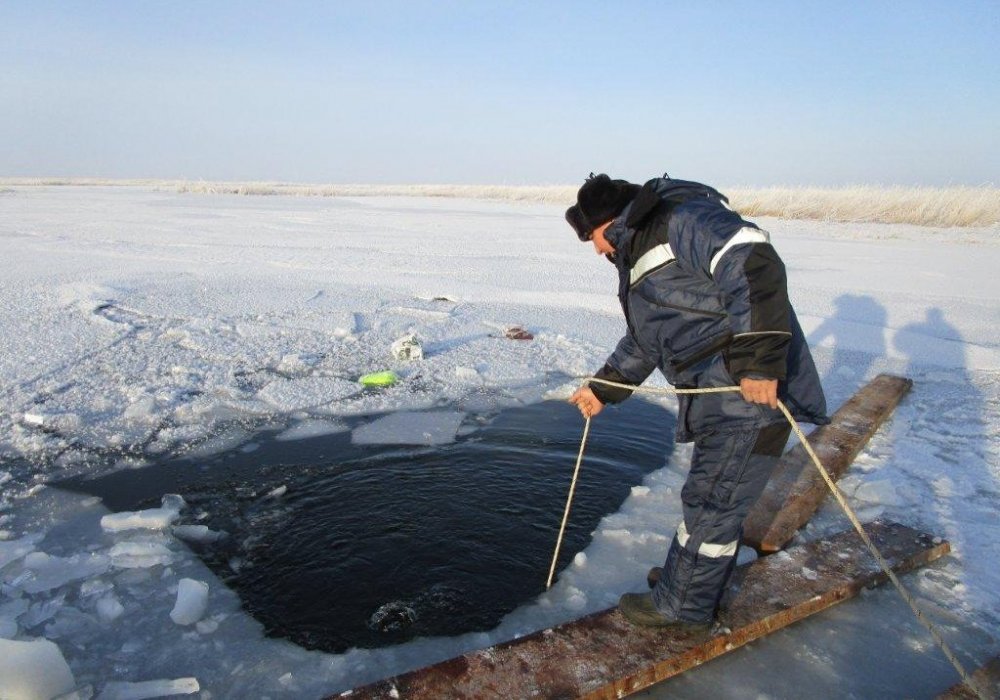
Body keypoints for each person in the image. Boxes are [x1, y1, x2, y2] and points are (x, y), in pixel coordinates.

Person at [566, 173, 828, 629]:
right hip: (719, 394)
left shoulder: (679, 219)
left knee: (713, 502)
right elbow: (648, 340)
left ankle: (683, 607)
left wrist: (759, 360)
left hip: (742, 394)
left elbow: (750, 256)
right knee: (709, 497)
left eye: (592, 238)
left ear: (608, 222)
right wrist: (602, 388)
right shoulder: (643, 248)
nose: (596, 251)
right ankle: (685, 581)